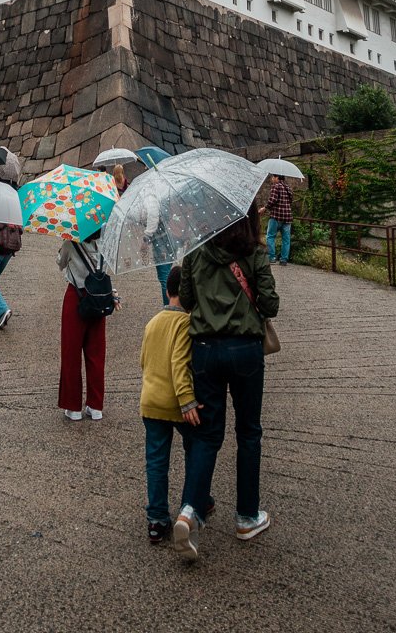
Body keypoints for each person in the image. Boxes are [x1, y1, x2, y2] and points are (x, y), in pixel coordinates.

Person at [174, 202, 279, 562]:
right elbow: (271, 304)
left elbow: (185, 301)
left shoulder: (195, 252)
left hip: (204, 350)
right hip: (246, 350)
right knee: (249, 432)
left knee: (207, 434)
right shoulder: (254, 252)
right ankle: (247, 516)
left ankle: (191, 511)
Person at [140, 264, 209, 546]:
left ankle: (157, 519)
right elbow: (179, 364)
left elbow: (143, 361)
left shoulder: (153, 322)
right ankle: (193, 502)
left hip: (150, 400)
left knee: (156, 461)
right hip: (176, 402)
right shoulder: (185, 323)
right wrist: (186, 399)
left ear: (168, 291)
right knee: (195, 449)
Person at [57, 232, 116, 421]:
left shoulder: (70, 243)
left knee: (71, 352)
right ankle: (95, 405)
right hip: (97, 299)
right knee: (96, 354)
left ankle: (73, 407)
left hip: (76, 297)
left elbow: (60, 263)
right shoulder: (104, 244)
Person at [142, 190, 173, 305]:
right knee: (165, 275)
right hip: (166, 236)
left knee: (164, 275)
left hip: (162, 238)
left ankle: (169, 308)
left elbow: (153, 215)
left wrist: (146, 238)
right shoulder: (161, 192)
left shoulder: (151, 195)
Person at [260, 175, 293, 265]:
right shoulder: (288, 188)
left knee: (270, 236)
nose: (272, 179)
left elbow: (272, 200)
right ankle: (284, 260)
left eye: (273, 177)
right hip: (287, 217)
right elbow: (290, 201)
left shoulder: (276, 186)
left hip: (276, 216)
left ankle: (272, 257)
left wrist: (265, 208)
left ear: (277, 177)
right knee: (286, 239)